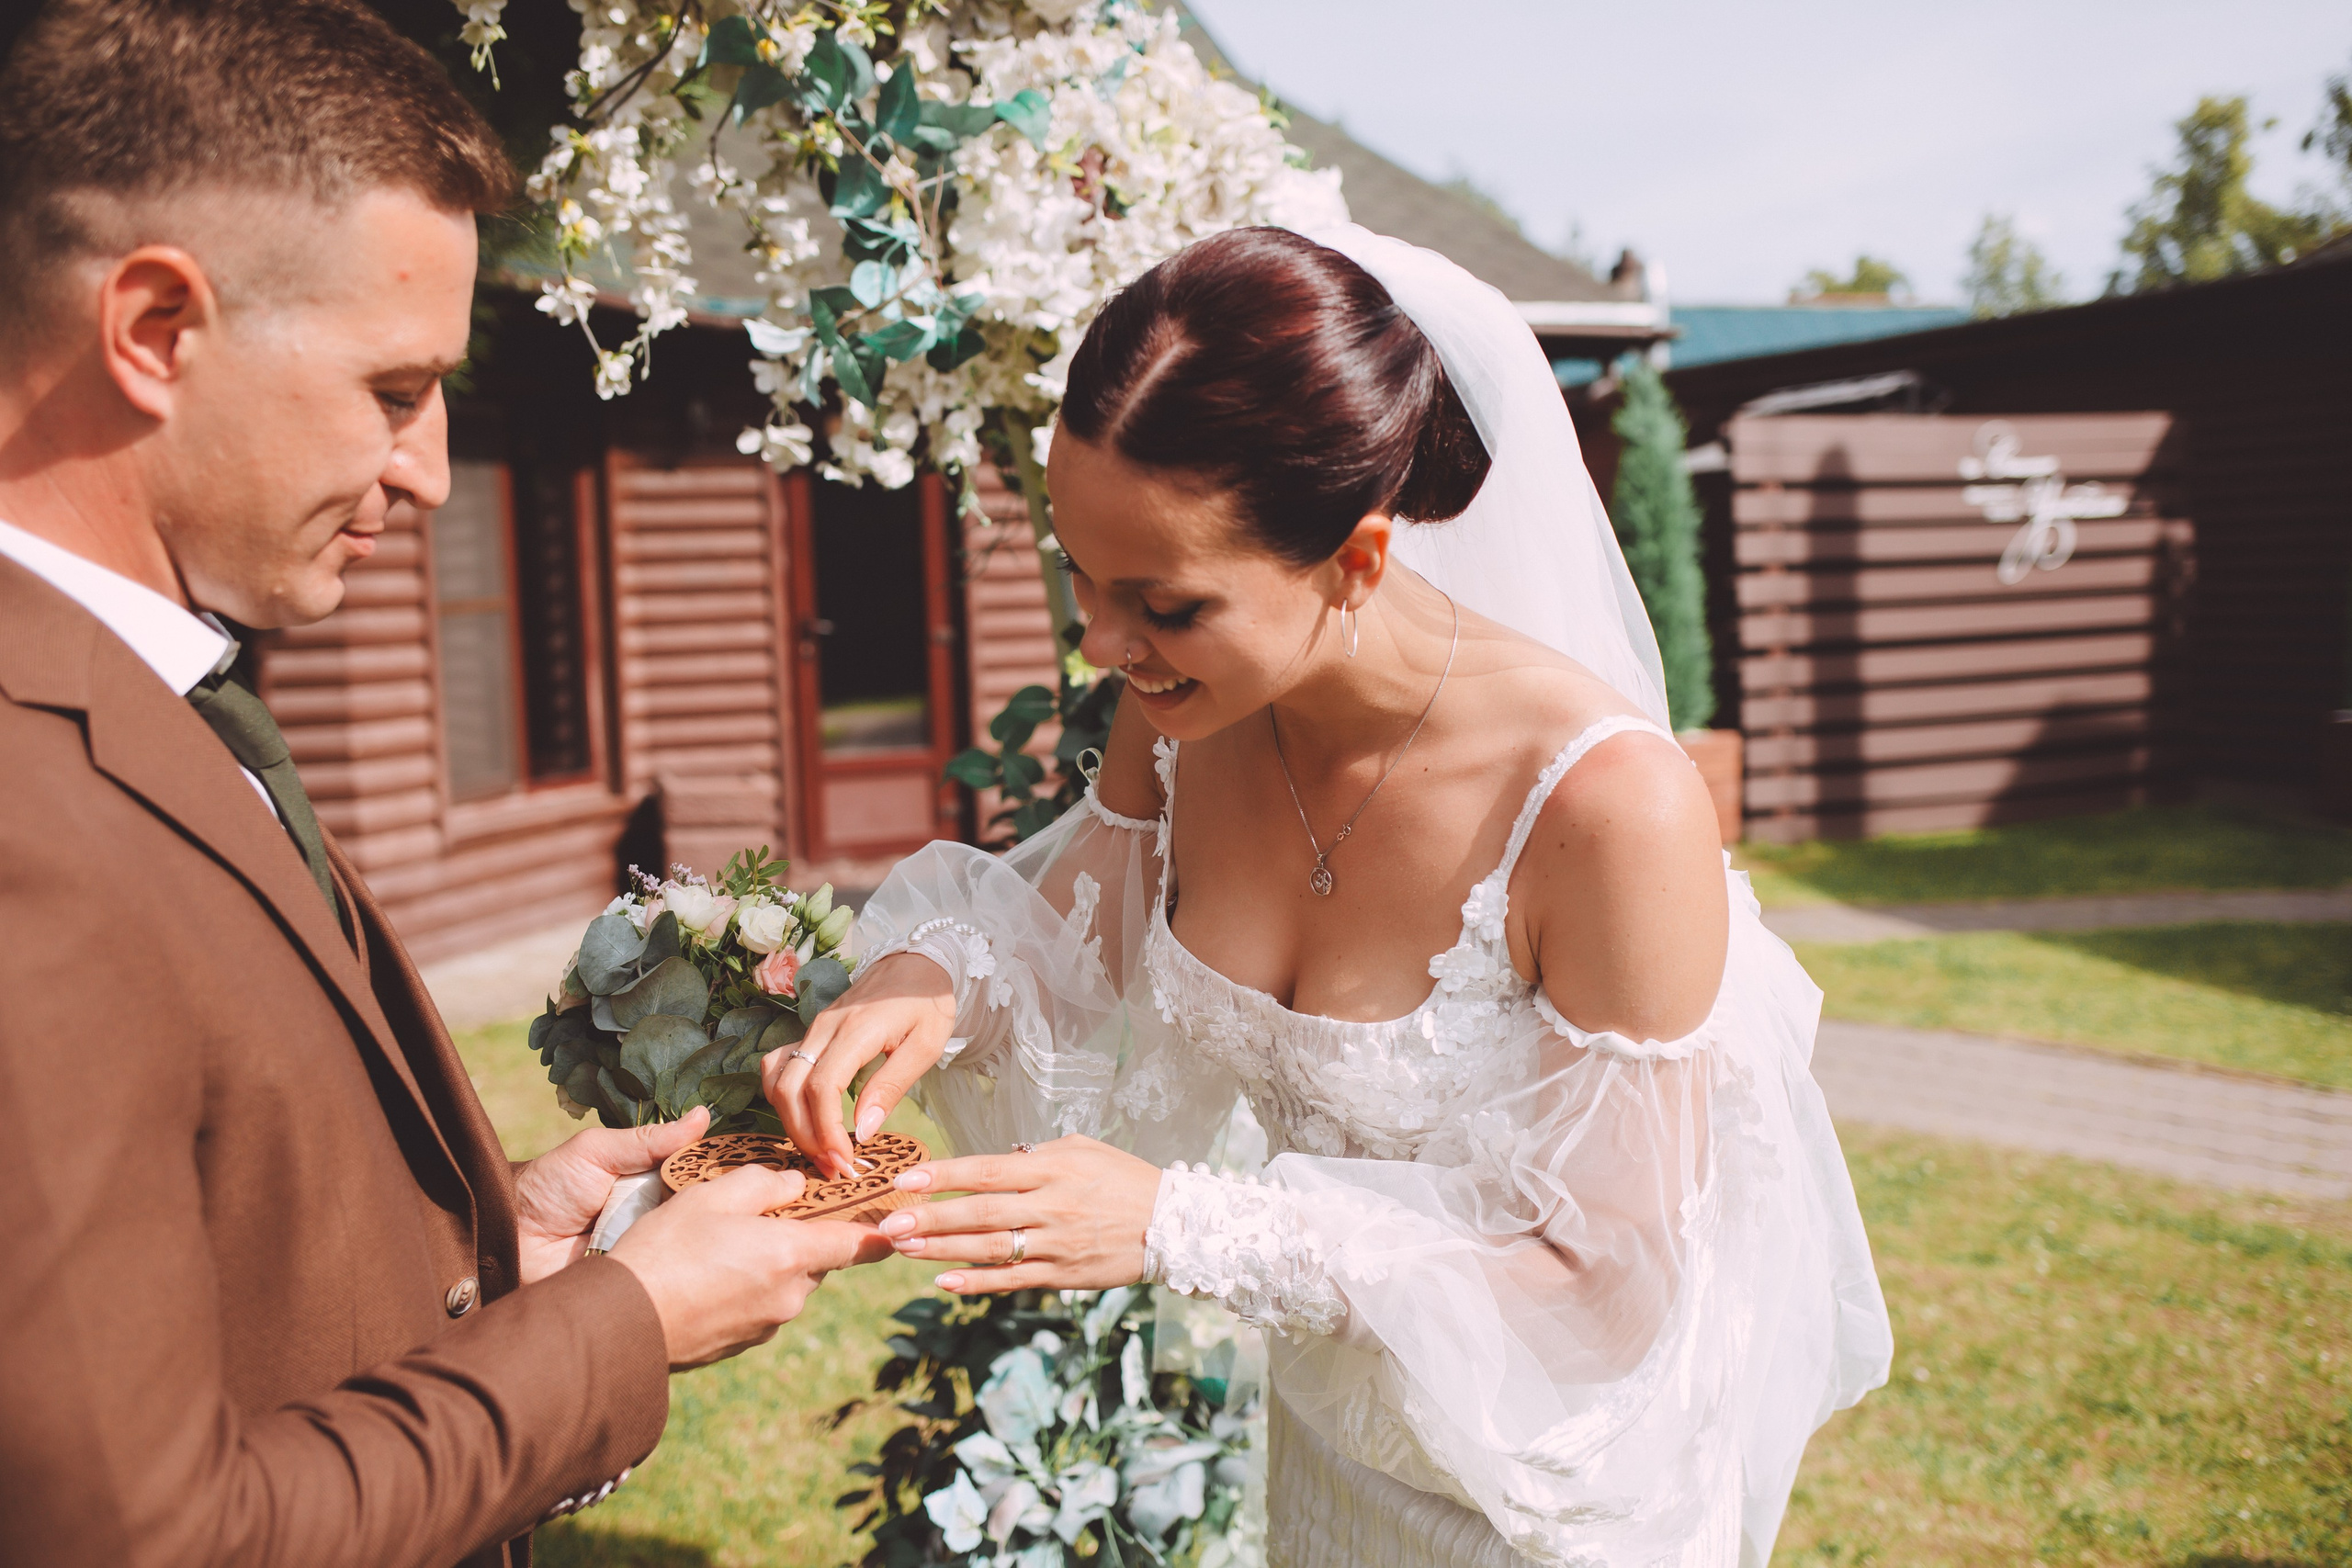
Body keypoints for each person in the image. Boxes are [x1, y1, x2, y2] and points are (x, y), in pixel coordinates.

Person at [768, 226, 1893, 1566]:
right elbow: (1078, 921)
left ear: (1358, 559)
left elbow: (1604, 1291)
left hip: (1548, 1499)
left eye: (1166, 603)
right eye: (1079, 578)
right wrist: (937, 978)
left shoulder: (1605, 811)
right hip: (1333, 1455)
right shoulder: (1181, 706)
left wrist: (1184, 1224)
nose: (1104, 645)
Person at [0, 4, 886, 1564]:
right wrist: (624, 1323)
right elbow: (138, 1536)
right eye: (396, 390)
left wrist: (496, 1251)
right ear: (151, 331)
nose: (426, 471)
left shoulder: (150, 690)